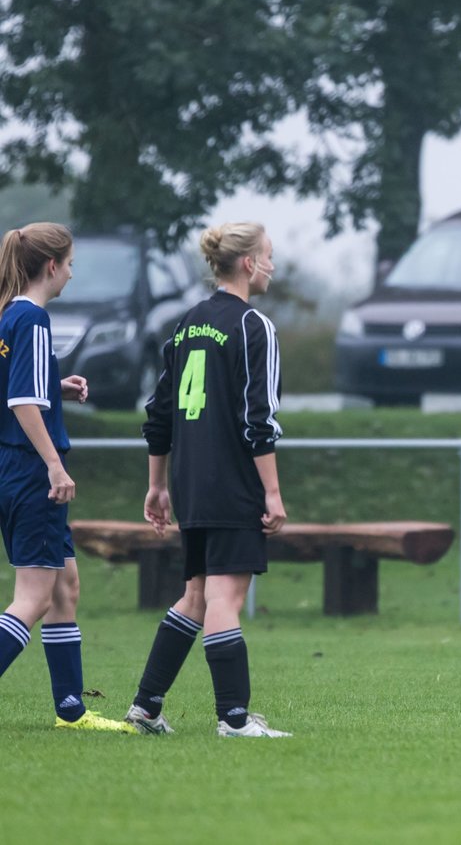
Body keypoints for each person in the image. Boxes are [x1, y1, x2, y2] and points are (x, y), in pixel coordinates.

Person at [122, 222, 291, 738]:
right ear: (247, 264)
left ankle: (146, 707)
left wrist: (158, 484)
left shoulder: (186, 324)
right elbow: (257, 419)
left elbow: (159, 413)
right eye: (267, 255)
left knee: (195, 595)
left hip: (192, 482)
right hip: (231, 482)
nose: (272, 265)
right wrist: (273, 492)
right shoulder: (253, 326)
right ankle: (234, 720)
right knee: (223, 599)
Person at [0, 222, 134, 733]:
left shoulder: (9, 315)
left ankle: (71, 712)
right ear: (51, 266)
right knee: (32, 597)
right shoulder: (32, 319)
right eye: (71, 264)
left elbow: (21, 387)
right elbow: (21, 402)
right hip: (32, 470)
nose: (73, 275)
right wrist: (54, 464)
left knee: (65, 588)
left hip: (13, 467)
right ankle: (71, 711)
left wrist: (55, 386)